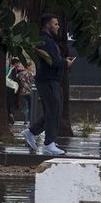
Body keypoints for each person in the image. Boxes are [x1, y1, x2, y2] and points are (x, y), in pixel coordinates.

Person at [23, 14, 71, 156]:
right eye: (55, 24)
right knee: (54, 110)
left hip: (49, 80)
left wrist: (62, 60)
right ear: (47, 25)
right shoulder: (46, 41)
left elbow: (51, 59)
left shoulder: (46, 40)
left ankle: (32, 132)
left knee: (53, 110)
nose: (58, 27)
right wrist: (65, 63)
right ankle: (49, 143)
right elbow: (52, 62)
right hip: (48, 80)